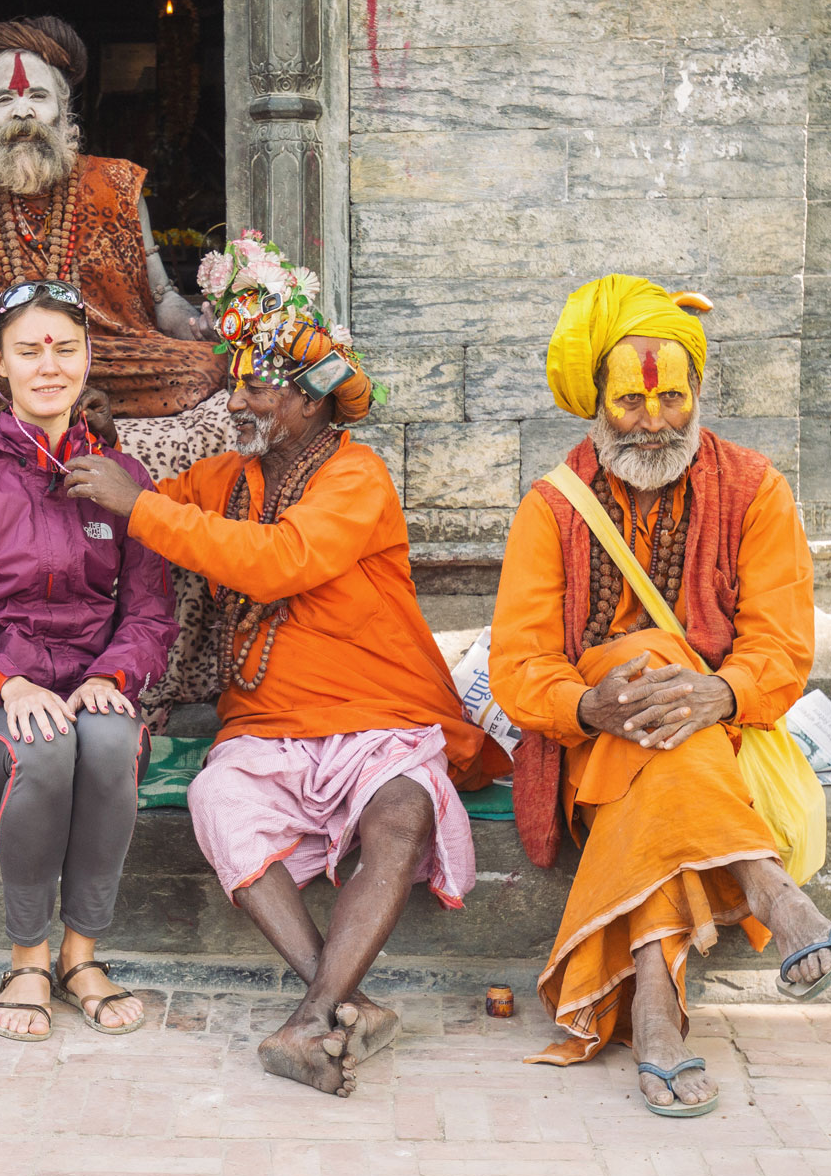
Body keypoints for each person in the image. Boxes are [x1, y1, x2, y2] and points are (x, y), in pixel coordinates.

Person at [63, 277, 507, 1096]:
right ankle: (336, 1004)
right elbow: (146, 505)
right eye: (235, 385)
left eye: (256, 389)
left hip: (378, 712)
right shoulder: (228, 479)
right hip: (266, 725)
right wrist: (105, 438)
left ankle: (310, 1018)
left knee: (402, 809)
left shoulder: (357, 475)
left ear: (309, 400)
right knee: (216, 800)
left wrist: (142, 506)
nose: (235, 402)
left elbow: (280, 561)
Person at [490, 274, 828, 1119]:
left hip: (725, 733)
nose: (654, 420)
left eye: (672, 397)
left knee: (667, 719)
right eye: (631, 400)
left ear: (699, 390)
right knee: (646, 675)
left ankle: (653, 1006)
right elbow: (520, 666)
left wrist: (719, 692)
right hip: (591, 749)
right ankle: (769, 888)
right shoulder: (551, 508)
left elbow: (784, 645)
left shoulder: (755, 489)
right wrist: (589, 707)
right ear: (598, 402)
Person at [0, 279, 178, 1040]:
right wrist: (9, 683)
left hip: (90, 695)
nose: (48, 366)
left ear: (88, 358)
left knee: (111, 739)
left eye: (64, 349)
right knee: (45, 742)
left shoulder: (123, 479)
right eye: (28, 351)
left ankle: (80, 956)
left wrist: (109, 676)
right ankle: (26, 959)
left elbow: (150, 614)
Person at [0, 14, 226, 422]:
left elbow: (162, 298)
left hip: (109, 360)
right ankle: (68, 400)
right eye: (4, 100)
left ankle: (46, 403)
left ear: (63, 108)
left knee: (210, 361)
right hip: (12, 364)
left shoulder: (119, 183)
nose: (22, 112)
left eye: (37, 96)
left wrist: (197, 327)